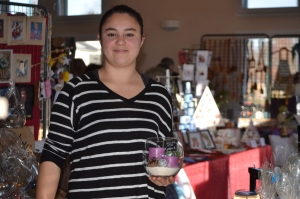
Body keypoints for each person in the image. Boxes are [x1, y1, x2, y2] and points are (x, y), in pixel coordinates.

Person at [36, 4, 175, 199]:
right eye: (111, 34)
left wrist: (168, 173)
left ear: (142, 40)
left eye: (129, 34)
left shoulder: (159, 96)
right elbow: (53, 156)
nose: (120, 41)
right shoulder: (76, 91)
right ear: (100, 38)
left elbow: (164, 155)